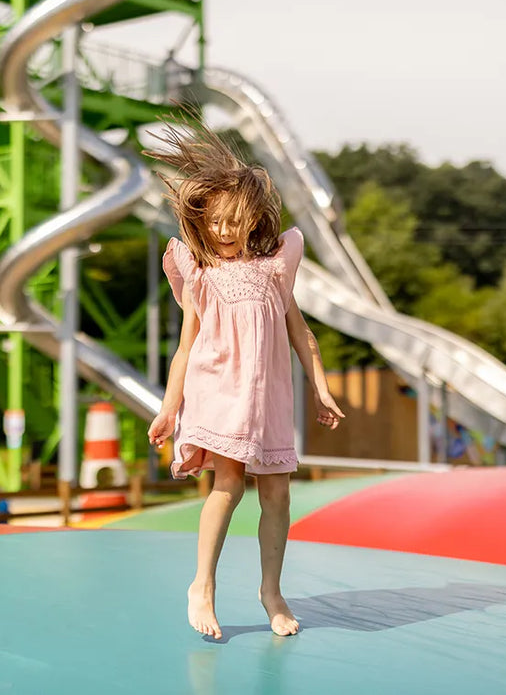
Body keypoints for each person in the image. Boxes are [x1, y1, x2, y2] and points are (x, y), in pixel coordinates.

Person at [145, 118, 344, 640]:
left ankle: (271, 591)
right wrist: (169, 408)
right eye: (216, 221)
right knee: (228, 485)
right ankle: (202, 586)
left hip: (269, 397)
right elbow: (186, 347)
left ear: (255, 217)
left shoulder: (276, 266)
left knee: (277, 493)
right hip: (219, 392)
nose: (226, 230)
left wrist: (320, 386)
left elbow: (302, 335)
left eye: (236, 220)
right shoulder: (200, 272)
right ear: (203, 220)